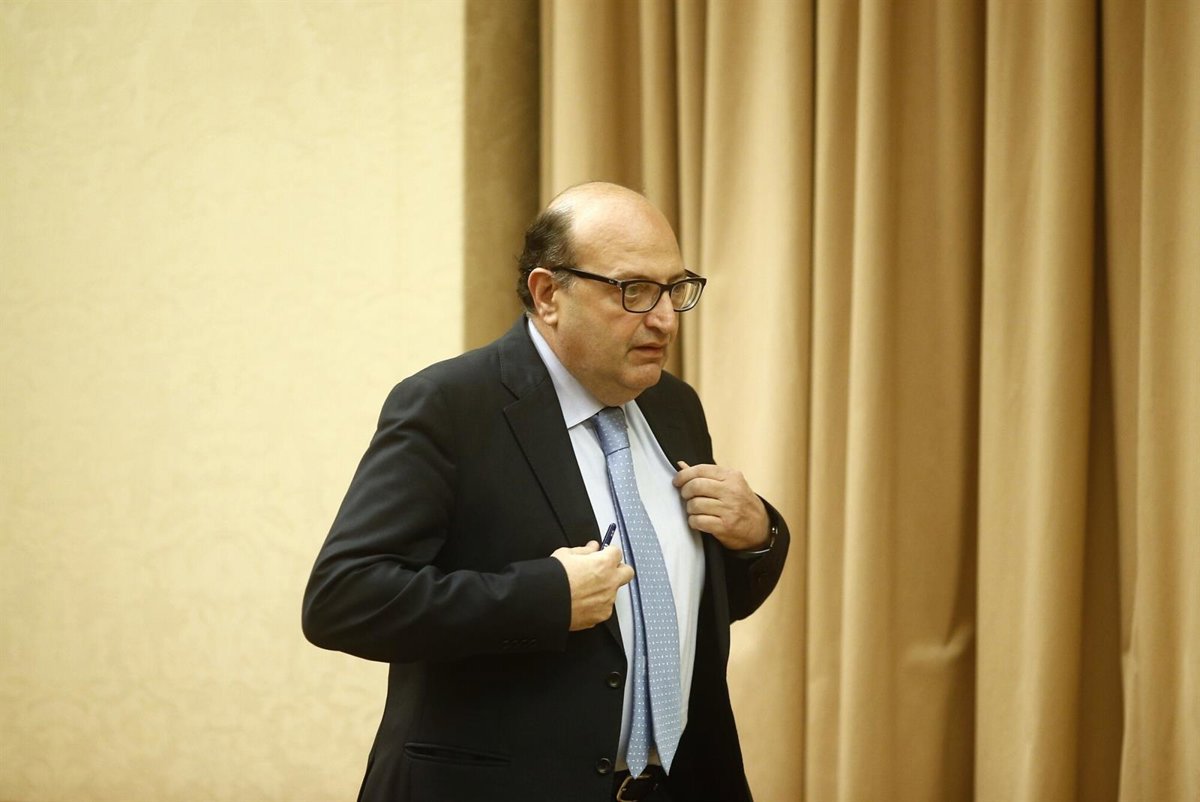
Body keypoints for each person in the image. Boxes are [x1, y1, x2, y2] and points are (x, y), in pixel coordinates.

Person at [302, 182, 789, 802]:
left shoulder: (674, 407)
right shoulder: (451, 407)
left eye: (674, 289)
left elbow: (682, 609)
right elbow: (343, 598)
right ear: (548, 294)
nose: (664, 318)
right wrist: (544, 597)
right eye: (633, 290)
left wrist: (756, 537)